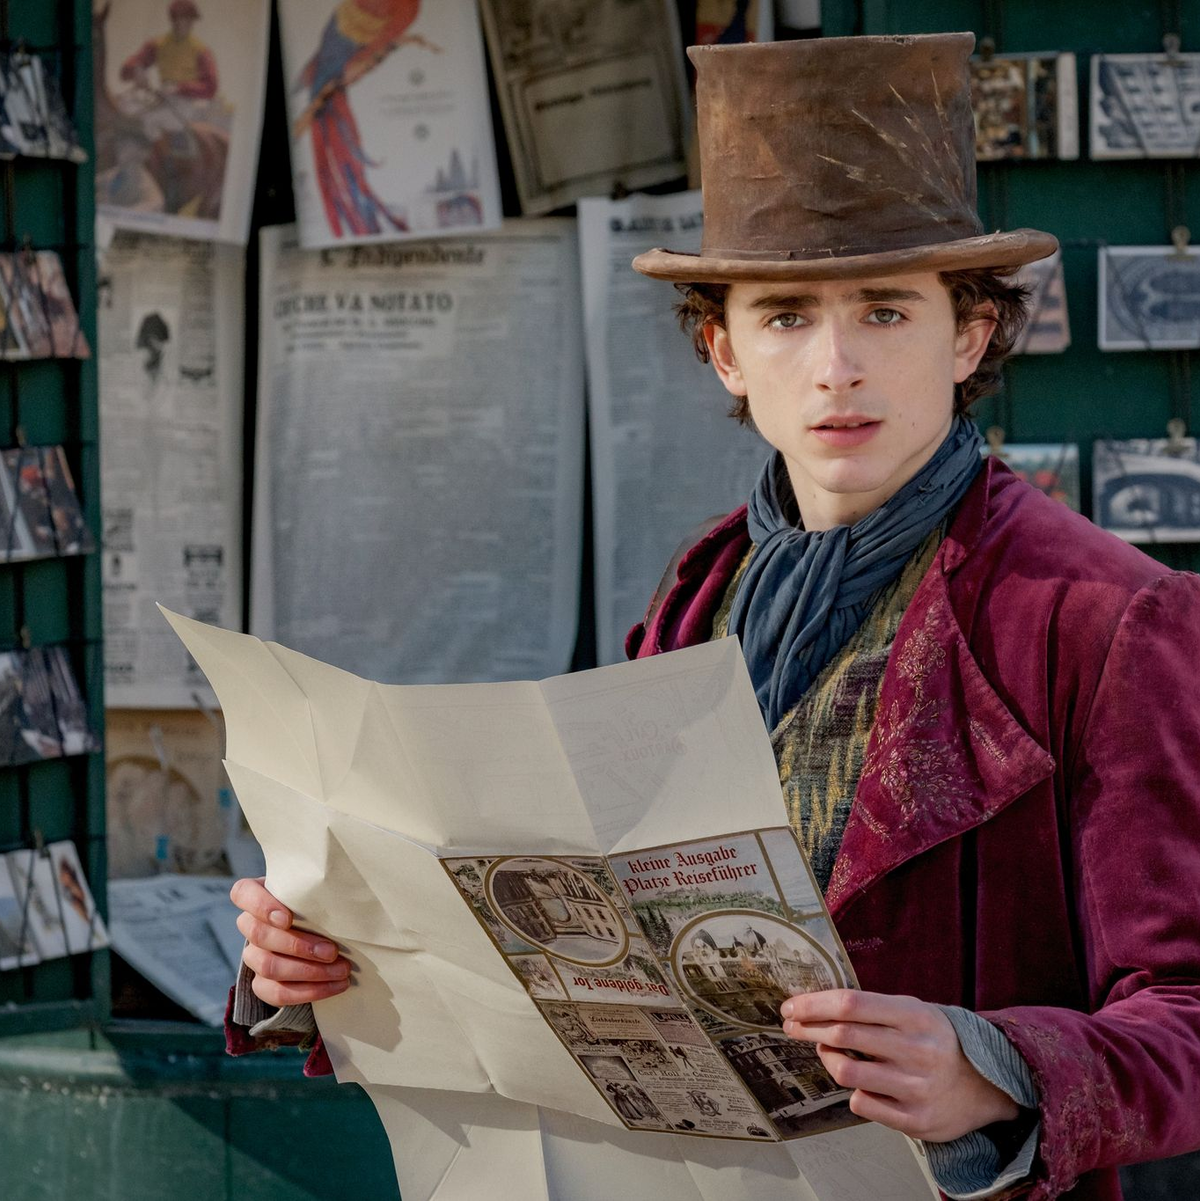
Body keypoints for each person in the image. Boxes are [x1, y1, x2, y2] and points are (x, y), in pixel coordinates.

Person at [227, 33, 1200, 1201]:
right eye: (787, 316)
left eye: (887, 311)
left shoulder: (1107, 619)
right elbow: (584, 954)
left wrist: (997, 1069)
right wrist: (324, 964)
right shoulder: (700, 591)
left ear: (972, 332)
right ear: (724, 350)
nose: (837, 365)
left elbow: (1187, 1011)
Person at [119, 0, 218, 103]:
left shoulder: (201, 51)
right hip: (164, 99)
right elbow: (124, 72)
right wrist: (136, 69)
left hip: (190, 102)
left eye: (187, 19)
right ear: (172, 19)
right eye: (176, 18)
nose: (181, 23)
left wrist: (179, 88)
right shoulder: (158, 44)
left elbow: (211, 88)